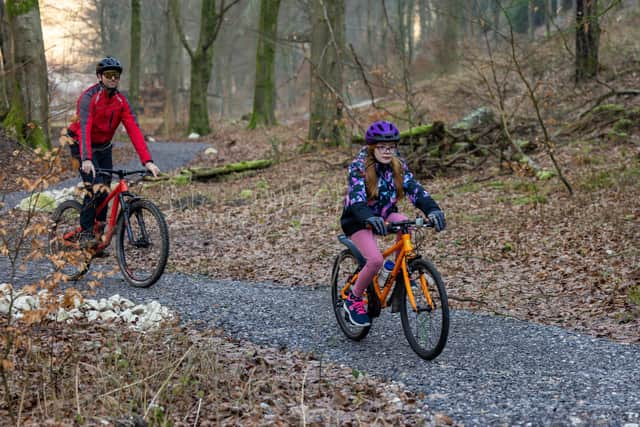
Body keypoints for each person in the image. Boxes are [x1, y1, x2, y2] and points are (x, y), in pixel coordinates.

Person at [340, 120, 446, 326]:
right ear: (372, 148)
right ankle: (353, 299)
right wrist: (368, 217)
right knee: (374, 260)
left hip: (386, 214)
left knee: (404, 223)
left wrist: (433, 209)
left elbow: (415, 189)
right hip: (358, 219)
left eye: (391, 147)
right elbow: (356, 199)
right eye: (381, 147)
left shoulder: (398, 165)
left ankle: (395, 270)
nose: (387, 151)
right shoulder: (359, 167)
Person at [66, 56, 160, 248]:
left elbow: (133, 129)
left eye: (116, 75)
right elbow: (84, 128)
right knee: (94, 186)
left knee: (106, 188)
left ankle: (97, 237)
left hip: (104, 146)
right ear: (99, 77)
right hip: (81, 143)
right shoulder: (88, 97)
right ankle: (85, 233)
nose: (113, 78)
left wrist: (147, 161)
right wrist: (86, 159)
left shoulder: (120, 101)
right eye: (108, 75)